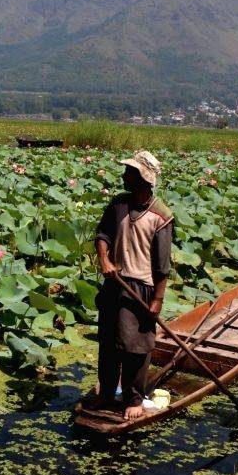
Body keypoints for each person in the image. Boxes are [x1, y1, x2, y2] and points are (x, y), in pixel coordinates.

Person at [91, 150, 173, 420]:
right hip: (114, 282)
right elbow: (102, 235)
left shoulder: (161, 216)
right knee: (108, 342)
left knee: (136, 345)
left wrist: (157, 301)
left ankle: (134, 399)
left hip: (141, 287)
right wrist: (104, 259)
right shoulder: (118, 204)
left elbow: (162, 267)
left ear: (143, 179)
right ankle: (106, 393)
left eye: (130, 172)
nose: (124, 176)